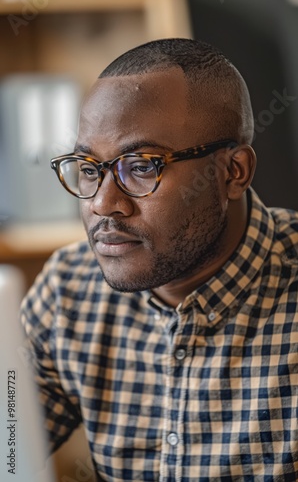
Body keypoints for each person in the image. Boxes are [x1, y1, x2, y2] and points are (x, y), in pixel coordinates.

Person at [21, 38, 298, 481]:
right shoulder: (69, 289)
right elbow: (8, 446)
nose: (103, 204)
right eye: (90, 169)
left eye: (142, 165)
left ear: (233, 172)